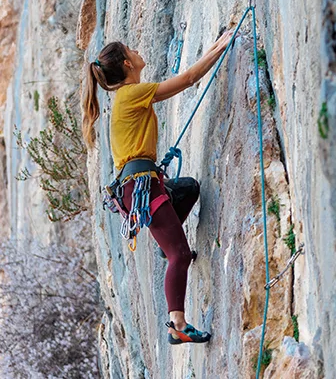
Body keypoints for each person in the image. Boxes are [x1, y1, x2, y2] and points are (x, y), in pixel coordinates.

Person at [81, 29, 235, 344]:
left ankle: (166, 243)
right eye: (131, 49)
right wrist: (221, 44)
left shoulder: (127, 95)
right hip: (141, 188)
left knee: (189, 188)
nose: (138, 50)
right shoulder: (130, 93)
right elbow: (189, 78)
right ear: (127, 63)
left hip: (143, 183)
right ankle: (176, 325)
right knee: (180, 255)